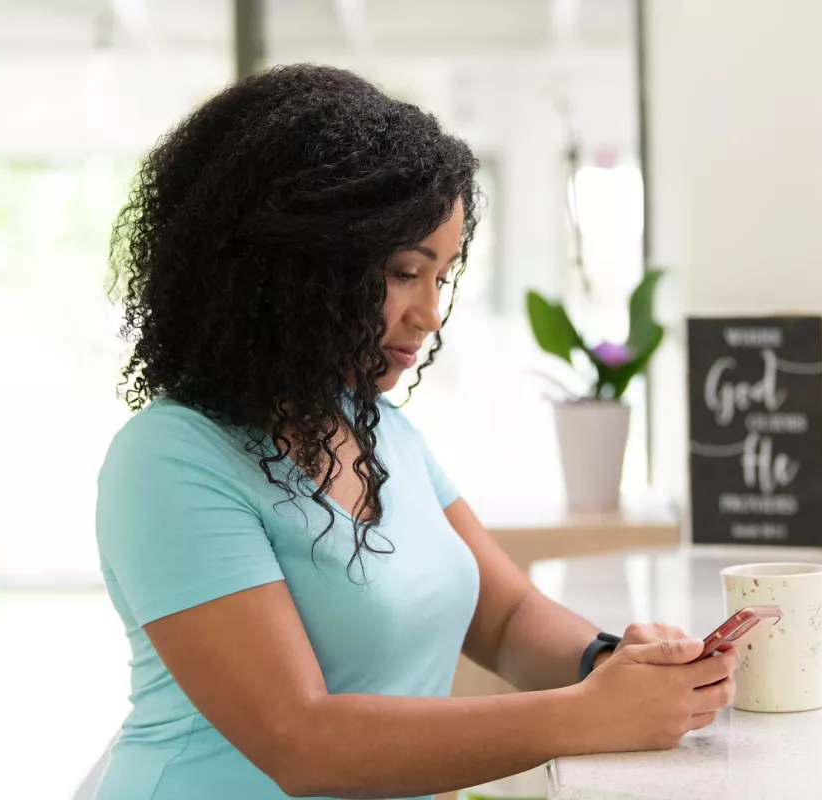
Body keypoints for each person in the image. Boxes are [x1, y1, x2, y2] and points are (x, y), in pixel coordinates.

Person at [94, 64, 739, 800]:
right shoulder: (169, 462)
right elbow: (303, 744)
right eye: (405, 271)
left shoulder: (380, 432)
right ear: (290, 269)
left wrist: (610, 664)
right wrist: (588, 715)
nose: (430, 314)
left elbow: (506, 618)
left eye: (444, 274)